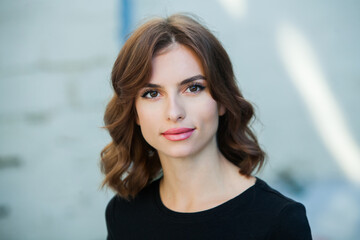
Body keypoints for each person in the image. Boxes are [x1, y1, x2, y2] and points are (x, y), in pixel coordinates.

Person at [100, 14, 312, 240]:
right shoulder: (123, 214)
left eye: (193, 88)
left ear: (222, 100)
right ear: (135, 113)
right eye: (152, 93)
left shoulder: (279, 220)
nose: (174, 112)